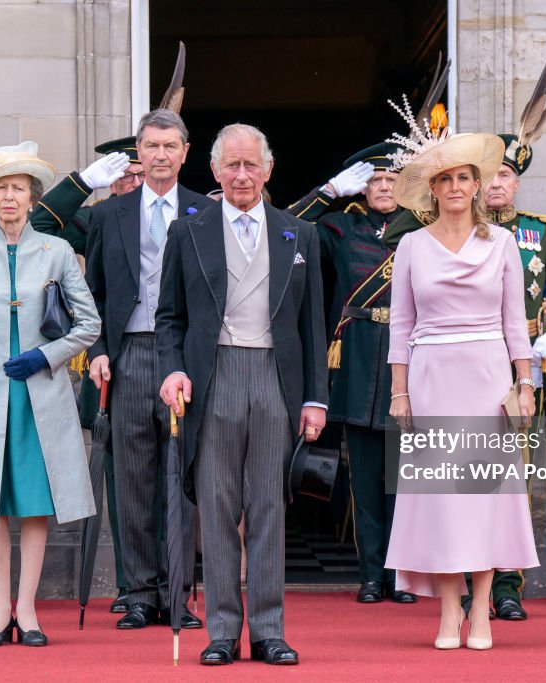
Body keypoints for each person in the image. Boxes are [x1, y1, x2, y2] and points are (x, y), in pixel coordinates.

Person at [156, 123, 328, 666]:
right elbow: (169, 318)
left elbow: (314, 325)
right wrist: (173, 369)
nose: (241, 174)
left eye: (251, 164)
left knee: (269, 506)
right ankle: (223, 631)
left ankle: (270, 629)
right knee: (217, 502)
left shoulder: (298, 234)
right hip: (214, 377)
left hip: (276, 379)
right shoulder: (188, 232)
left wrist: (315, 399)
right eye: (231, 165)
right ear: (214, 170)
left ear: (269, 169)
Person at [385, 130, 539, 651]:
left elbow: (516, 323)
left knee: (483, 499)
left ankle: (483, 613)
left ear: (477, 185)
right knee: (443, 500)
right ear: (433, 188)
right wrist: (399, 393)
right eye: (445, 178)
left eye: (464, 178)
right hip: (430, 379)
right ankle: (449, 611)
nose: (455, 186)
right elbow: (400, 326)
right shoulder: (409, 245)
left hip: (487, 376)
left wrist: (524, 384)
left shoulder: (502, 245)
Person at [0, 141, 100, 647]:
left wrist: (46, 355)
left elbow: (90, 324)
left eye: (18, 189)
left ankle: (28, 612)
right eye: (0, 190)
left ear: (32, 198)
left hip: (40, 394)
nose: (9, 198)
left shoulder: (55, 251)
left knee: (33, 502)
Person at [84, 110, 213, 630]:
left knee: (180, 478)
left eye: (170, 146)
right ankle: (138, 592)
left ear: (185, 153)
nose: (160, 155)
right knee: (133, 478)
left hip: (183, 357)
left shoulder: (207, 213)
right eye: (151, 146)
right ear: (140, 152)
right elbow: (90, 295)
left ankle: (177, 591)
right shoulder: (108, 215)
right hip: (129, 354)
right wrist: (95, 348)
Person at [291, 143, 417, 605]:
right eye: (375, 181)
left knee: (403, 482)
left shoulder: (423, 227)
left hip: (409, 358)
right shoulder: (340, 227)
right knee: (365, 480)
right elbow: (284, 226)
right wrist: (327, 192)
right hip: (359, 358)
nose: (384, 187)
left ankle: (401, 575)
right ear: (360, 189)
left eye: (392, 180)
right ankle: (370, 575)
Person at [468, 132, 546, 621]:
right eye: (489, 175)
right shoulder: (454, 229)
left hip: (521, 373)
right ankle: (465, 578)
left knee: (510, 482)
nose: (497, 184)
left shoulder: (539, 230)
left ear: (516, 185)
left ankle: (507, 587)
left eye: (506, 175)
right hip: (469, 365)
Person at [32, 135, 142, 614]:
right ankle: (129, 583)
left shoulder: (181, 216)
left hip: (168, 361)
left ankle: (168, 583)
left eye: (140, 175)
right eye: (123, 176)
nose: (133, 183)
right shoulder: (95, 219)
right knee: (120, 480)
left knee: (170, 475)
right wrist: (80, 183)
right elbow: (39, 223)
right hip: (110, 362)